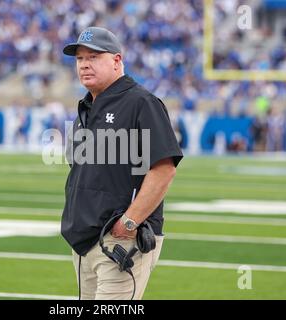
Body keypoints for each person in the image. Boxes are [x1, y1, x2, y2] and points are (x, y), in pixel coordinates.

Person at [61, 26, 183, 300]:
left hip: (120, 240)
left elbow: (164, 169)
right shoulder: (86, 107)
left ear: (117, 60)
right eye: (80, 59)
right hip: (84, 239)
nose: (84, 65)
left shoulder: (142, 102)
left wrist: (129, 222)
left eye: (93, 57)